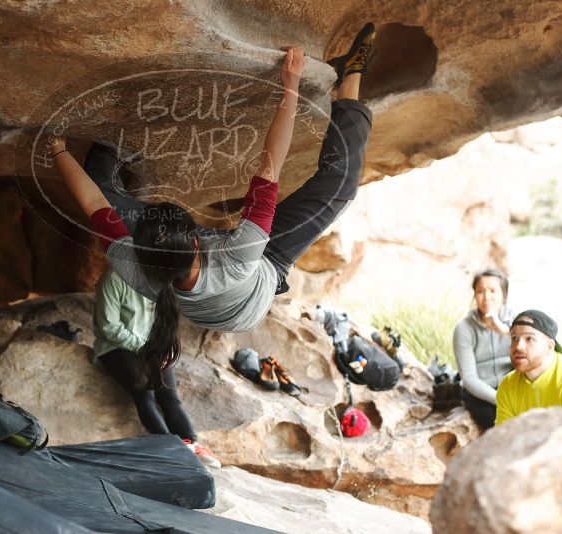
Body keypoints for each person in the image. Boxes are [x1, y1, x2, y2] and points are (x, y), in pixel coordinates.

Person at [51, 23, 376, 384]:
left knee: (102, 184)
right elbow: (270, 163)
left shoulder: (135, 265)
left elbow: (93, 201)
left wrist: (59, 150)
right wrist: (290, 86)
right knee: (340, 189)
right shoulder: (241, 253)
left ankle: (110, 152)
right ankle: (351, 79)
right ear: (196, 237)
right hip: (262, 276)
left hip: (212, 284)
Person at [93, 268, 220, 468]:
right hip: (116, 348)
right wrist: (147, 349)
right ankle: (171, 449)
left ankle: (193, 444)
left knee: (169, 396)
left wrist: (163, 348)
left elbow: (166, 322)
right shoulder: (114, 278)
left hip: (151, 349)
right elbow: (109, 326)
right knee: (146, 394)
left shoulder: (161, 279)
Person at [495, 310, 562, 425]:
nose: (518, 346)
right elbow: (504, 437)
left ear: (550, 346)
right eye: (514, 338)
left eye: (529, 338)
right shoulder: (507, 385)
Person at [452, 269, 514, 430]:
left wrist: (506, 331)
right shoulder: (464, 328)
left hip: (513, 385)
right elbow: (469, 378)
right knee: (501, 424)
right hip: (480, 392)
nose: (486, 297)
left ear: (504, 295)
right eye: (480, 291)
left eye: (493, 291)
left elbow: (539, 352)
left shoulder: (516, 318)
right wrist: (499, 398)